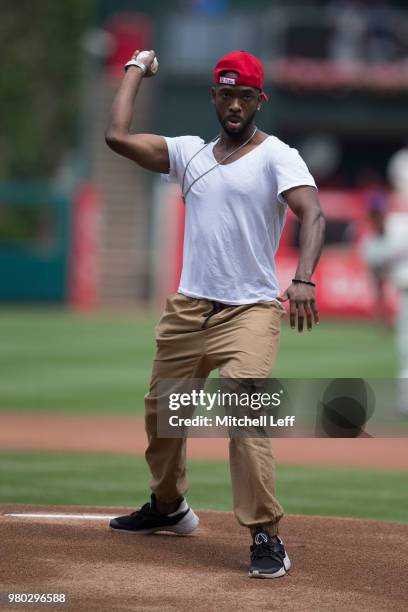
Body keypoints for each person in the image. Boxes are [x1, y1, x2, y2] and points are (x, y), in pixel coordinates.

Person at [105, 49, 325, 578]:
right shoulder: (189, 154)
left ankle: (266, 534)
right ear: (213, 96)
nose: (233, 104)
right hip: (188, 310)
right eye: (225, 93)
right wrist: (136, 68)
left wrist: (303, 278)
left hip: (249, 311)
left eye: (244, 96)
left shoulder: (278, 156)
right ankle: (168, 507)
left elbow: (313, 213)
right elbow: (116, 138)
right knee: (163, 418)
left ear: (259, 101)